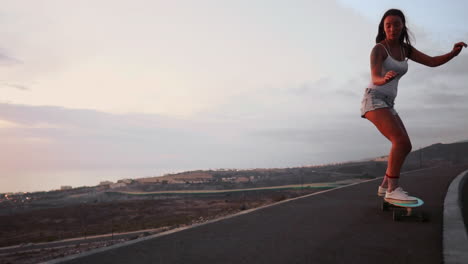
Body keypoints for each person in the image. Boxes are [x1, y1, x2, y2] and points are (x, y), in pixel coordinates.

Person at [360, 9, 466, 203]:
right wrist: (383, 79)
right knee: (399, 142)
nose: (393, 28)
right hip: (374, 98)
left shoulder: (405, 49)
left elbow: (432, 62)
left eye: (397, 24)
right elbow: (375, 76)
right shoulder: (378, 49)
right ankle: (393, 189)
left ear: (403, 27)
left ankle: (384, 186)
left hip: (388, 103)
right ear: (383, 28)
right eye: (388, 25)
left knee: (405, 145)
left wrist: (453, 53)